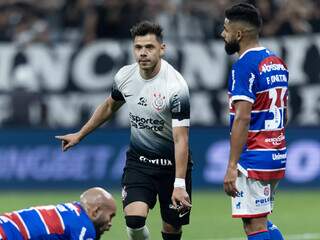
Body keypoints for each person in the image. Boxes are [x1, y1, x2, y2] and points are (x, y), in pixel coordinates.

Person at [55, 21, 192, 240]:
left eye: (150, 47)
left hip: (171, 168)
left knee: (172, 229)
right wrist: (80, 134)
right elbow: (110, 106)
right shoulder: (125, 77)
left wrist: (179, 184)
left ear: (162, 49)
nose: (143, 53)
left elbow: (181, 139)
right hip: (139, 163)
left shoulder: (176, 87)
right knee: (134, 221)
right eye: (138, 47)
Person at [221, 3, 288, 240]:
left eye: (226, 29)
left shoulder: (244, 66)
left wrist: (231, 166)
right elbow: (284, 112)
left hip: (253, 159)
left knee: (254, 225)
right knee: (262, 220)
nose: (223, 34)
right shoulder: (276, 62)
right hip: (275, 154)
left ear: (239, 34)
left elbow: (242, 117)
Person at [0, 187, 116, 240]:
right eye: (110, 216)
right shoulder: (84, 226)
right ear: (95, 212)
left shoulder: (74, 211)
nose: (110, 223)